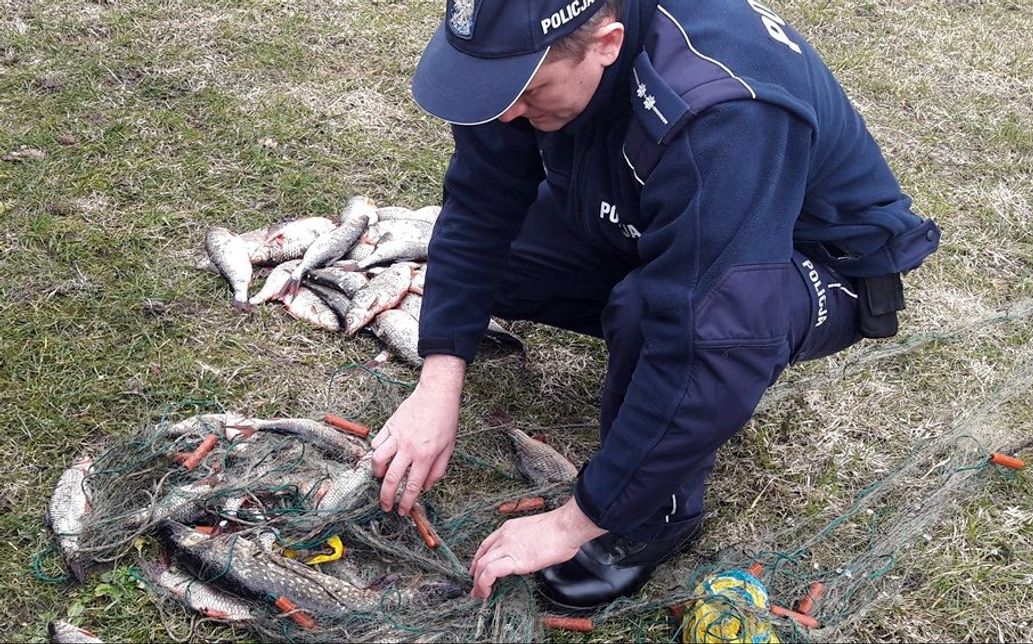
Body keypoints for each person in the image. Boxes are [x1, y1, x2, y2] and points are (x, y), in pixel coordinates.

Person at [370, 0, 941, 612]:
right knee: (501, 263)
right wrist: (440, 378)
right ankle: (654, 293)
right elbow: (480, 208)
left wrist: (578, 520)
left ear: (608, 44)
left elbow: (712, 338)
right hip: (661, 211)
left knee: (662, 315)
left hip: (812, 259)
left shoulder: (721, 113)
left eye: (528, 91)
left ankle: (653, 520)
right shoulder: (518, 54)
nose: (506, 112)